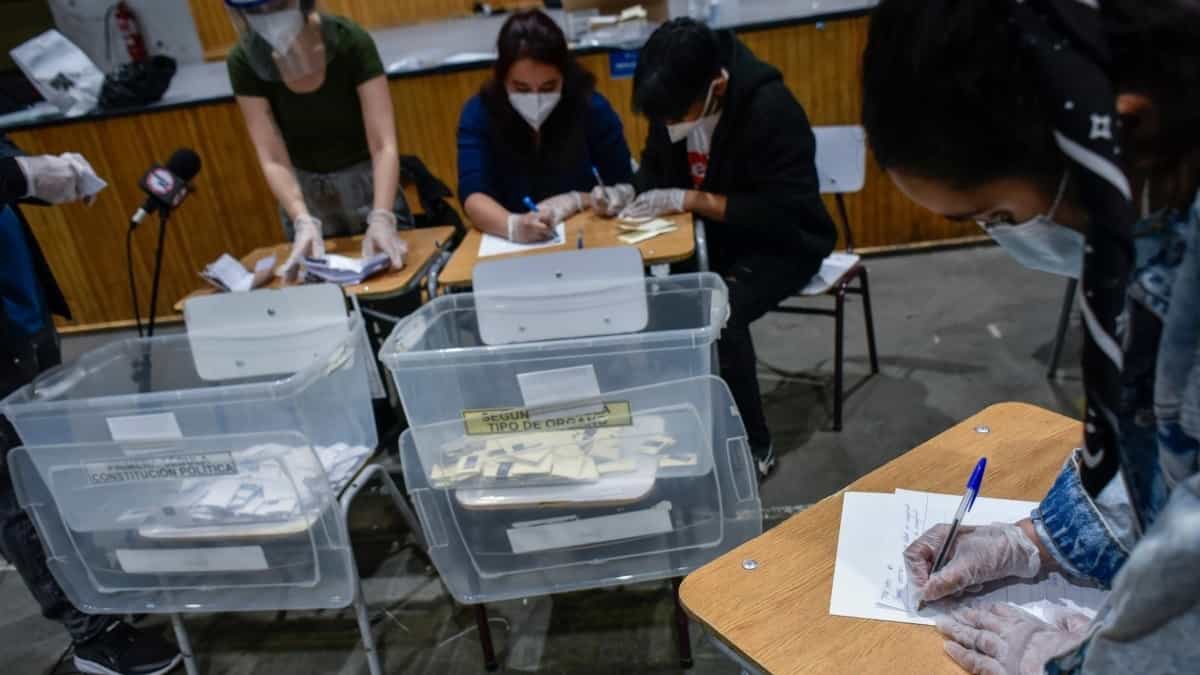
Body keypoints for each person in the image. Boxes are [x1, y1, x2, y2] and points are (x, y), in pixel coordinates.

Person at [861, 0, 1200, 672]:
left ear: (1121, 132)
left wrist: (1093, 662)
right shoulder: (1157, 201)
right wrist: (1035, 538)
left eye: (997, 214)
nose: (1008, 240)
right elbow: (1165, 459)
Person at [597, 18, 836, 477]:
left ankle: (754, 445)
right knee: (649, 296)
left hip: (784, 243)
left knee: (718, 312)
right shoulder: (676, 102)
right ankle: (681, 422)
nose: (668, 125)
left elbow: (783, 213)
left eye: (675, 115)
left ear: (717, 86)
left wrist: (692, 199)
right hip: (716, 240)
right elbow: (655, 169)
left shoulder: (770, 109)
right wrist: (626, 192)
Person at [0, 138, 182, 674]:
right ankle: (91, 634)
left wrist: (47, 172)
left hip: (19, 304)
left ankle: (95, 589)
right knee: (15, 487)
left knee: (49, 463)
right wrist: (24, 176)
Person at [225, 0, 410, 278]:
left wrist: (382, 216)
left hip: (369, 186)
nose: (268, 18)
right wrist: (301, 220)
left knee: (390, 280)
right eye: (255, 12)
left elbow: (383, 143)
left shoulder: (350, 41)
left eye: (276, 6)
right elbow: (272, 157)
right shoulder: (244, 61)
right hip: (305, 197)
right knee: (324, 301)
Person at [456, 9, 634, 243]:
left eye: (549, 87)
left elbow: (624, 181)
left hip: (585, 236)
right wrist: (513, 226)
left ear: (564, 76)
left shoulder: (590, 107)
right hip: (508, 244)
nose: (536, 98)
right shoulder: (479, 114)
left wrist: (588, 199)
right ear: (502, 80)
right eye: (522, 89)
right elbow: (473, 195)